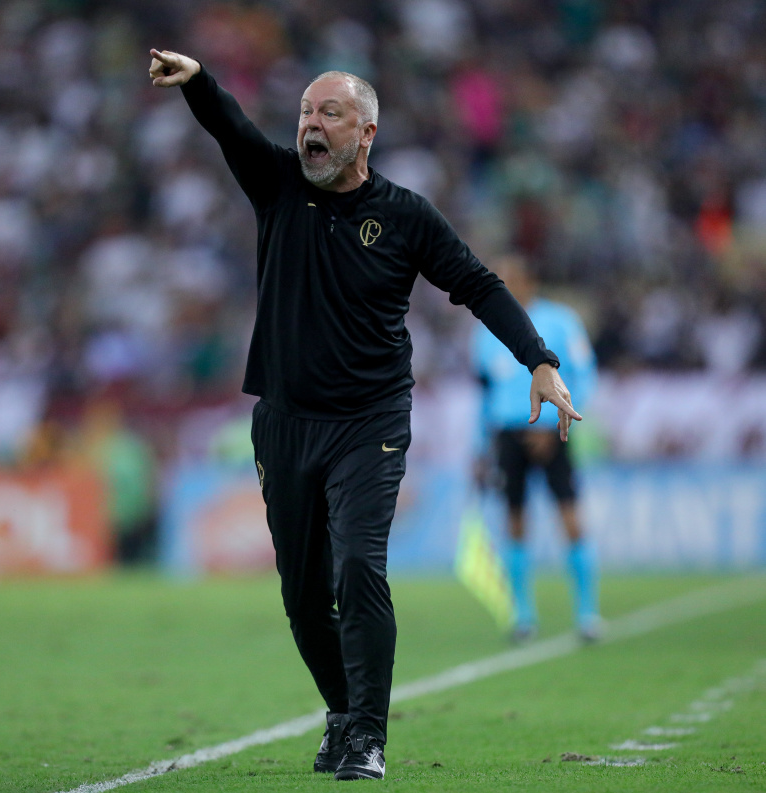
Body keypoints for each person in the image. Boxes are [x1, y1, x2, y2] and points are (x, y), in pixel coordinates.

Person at [149, 49, 582, 781]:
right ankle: (344, 713)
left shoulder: (406, 216)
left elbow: (478, 285)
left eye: (330, 114)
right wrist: (197, 82)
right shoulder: (278, 183)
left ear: (366, 131)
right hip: (284, 421)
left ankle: (368, 736)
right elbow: (231, 129)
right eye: (305, 114)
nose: (311, 126)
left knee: (357, 564)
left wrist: (538, 359)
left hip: (369, 422)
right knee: (300, 591)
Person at [471, 254, 600, 643]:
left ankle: (587, 612)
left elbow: (584, 374)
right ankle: (523, 615)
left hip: (554, 431)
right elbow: (483, 392)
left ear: (530, 281)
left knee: (569, 514)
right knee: (514, 519)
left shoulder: (561, 321)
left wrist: (559, 420)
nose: (504, 285)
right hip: (507, 434)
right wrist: (480, 446)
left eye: (511, 278)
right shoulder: (485, 331)